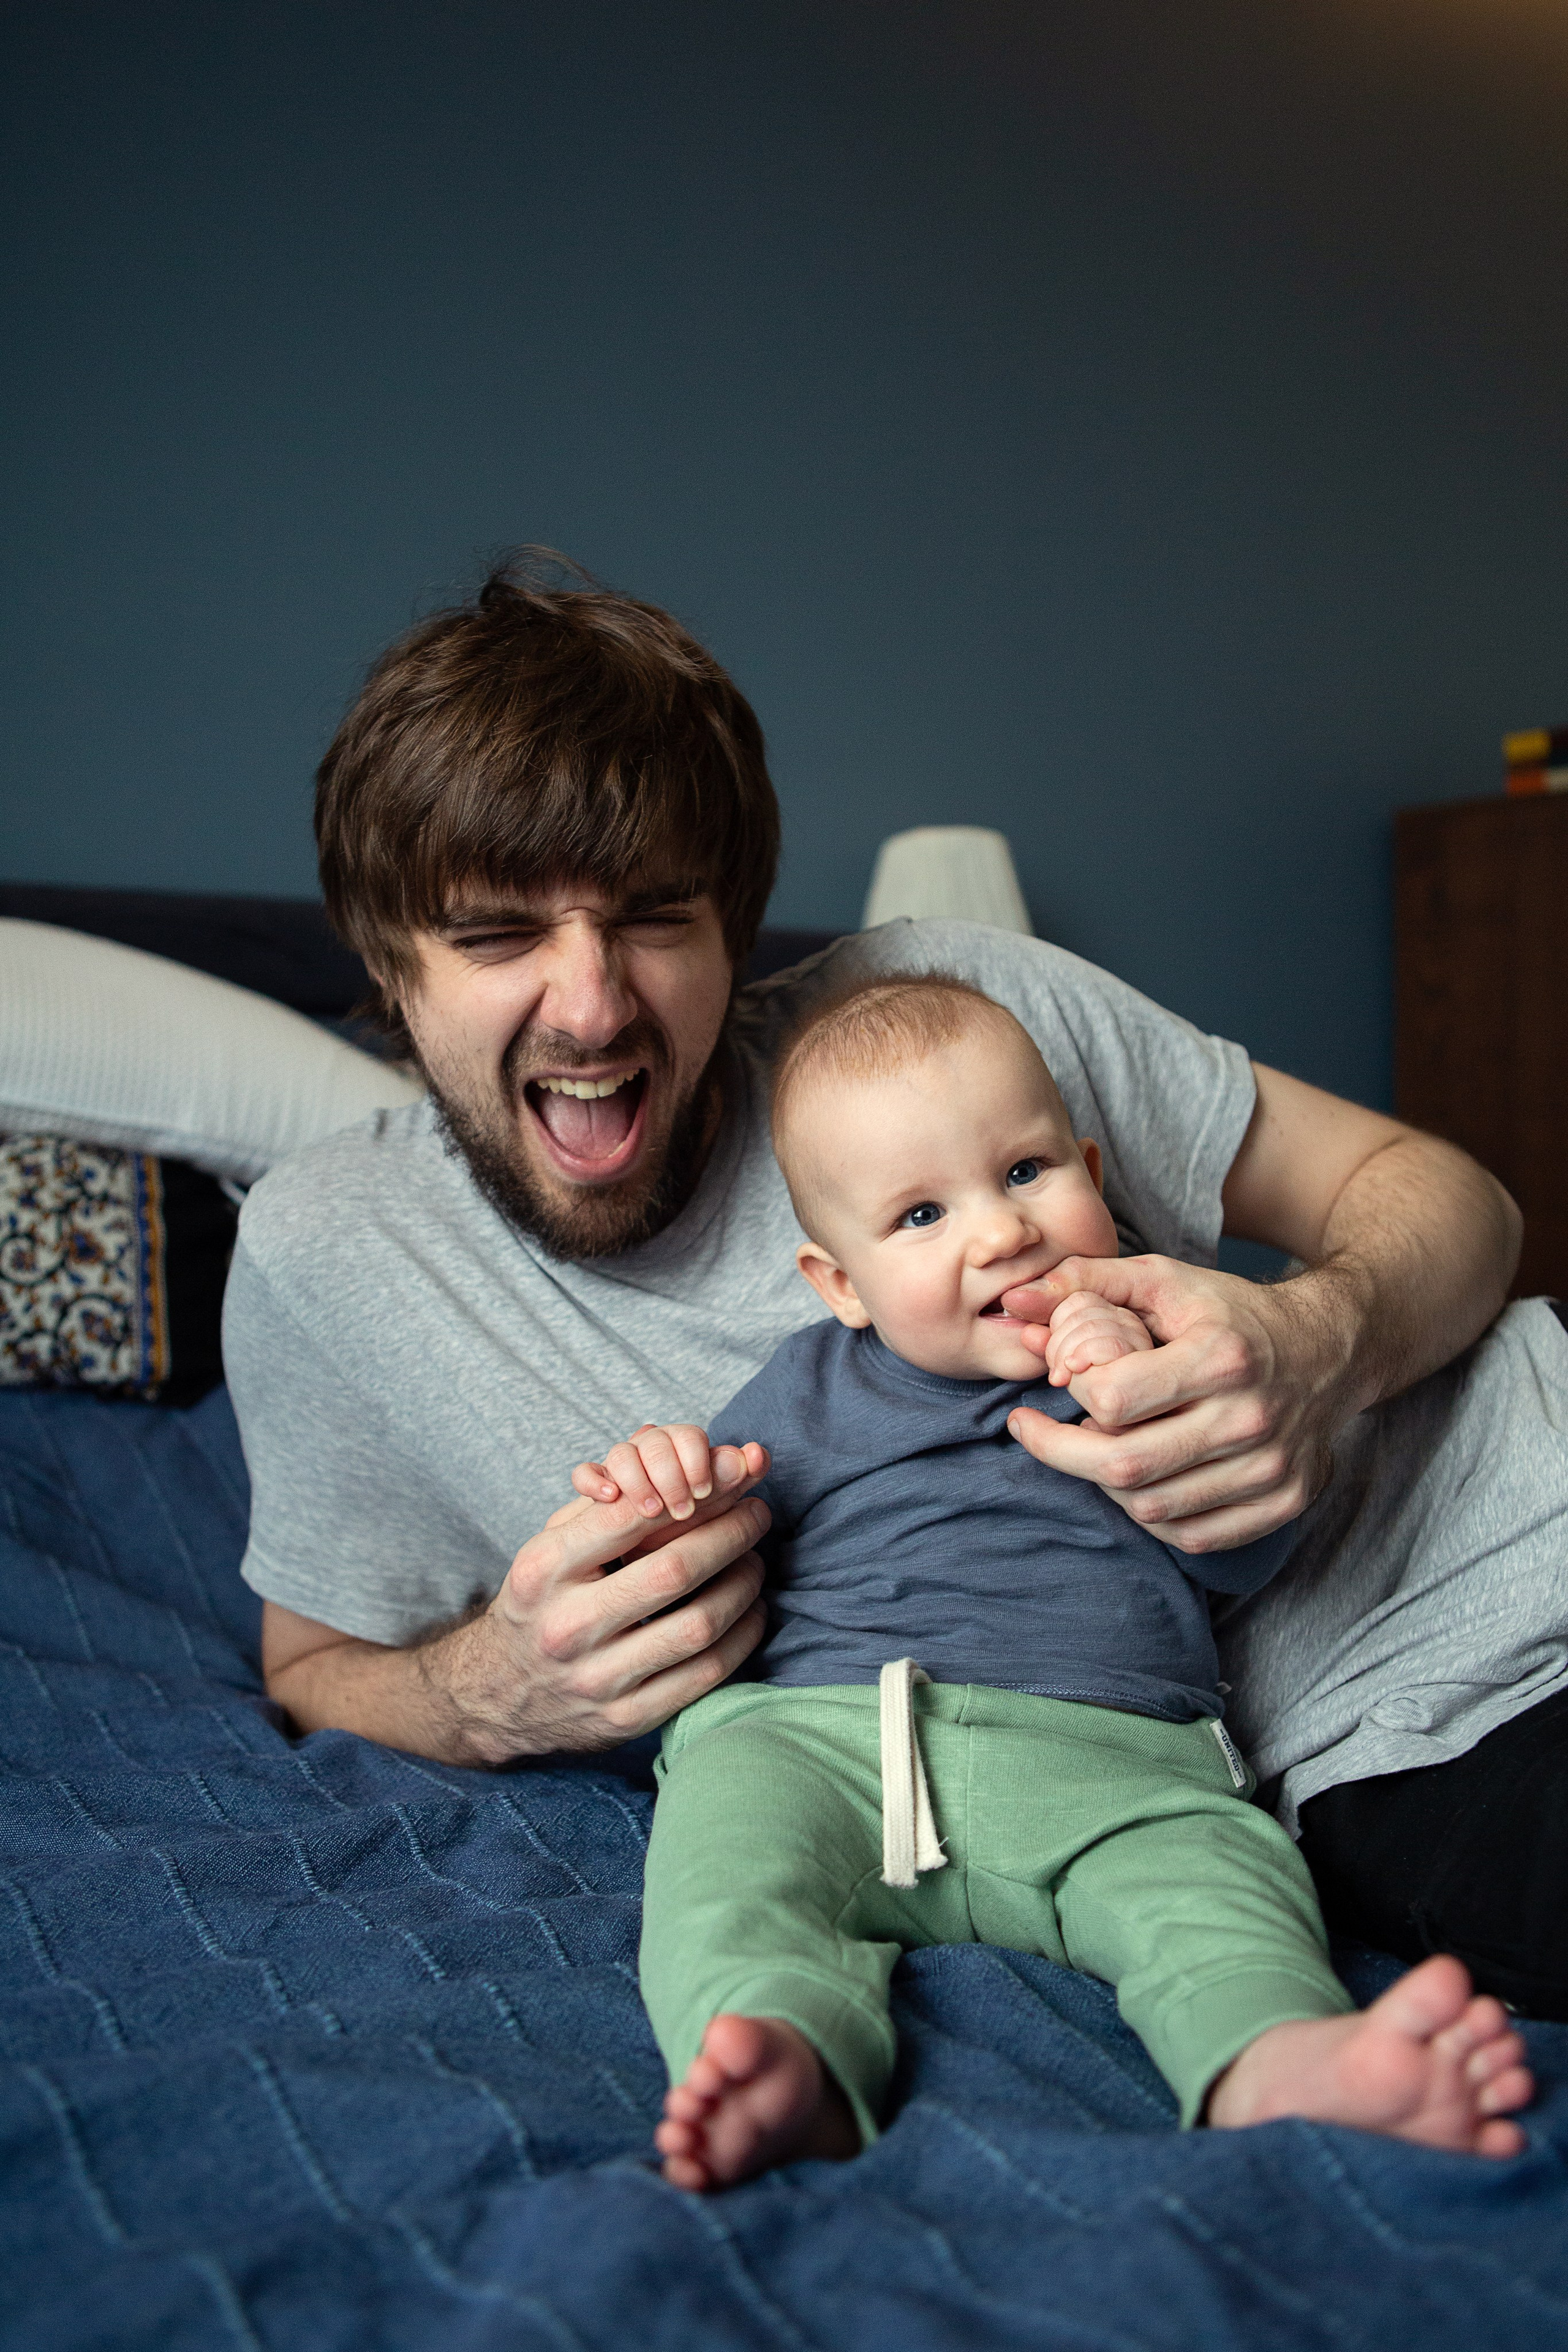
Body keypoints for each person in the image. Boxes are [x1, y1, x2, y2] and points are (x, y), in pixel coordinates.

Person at [226, 552, 1568, 2012]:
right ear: (387, 957)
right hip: (1414, 1711)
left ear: (732, 927)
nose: (594, 1002)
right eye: (495, 933)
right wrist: (484, 1693)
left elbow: (1451, 1200)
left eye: (654, 917)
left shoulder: (953, 1010)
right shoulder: (327, 1253)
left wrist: (1324, 1336)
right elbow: (309, 1667)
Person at [572, 973, 1531, 2188]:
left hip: (1111, 1758)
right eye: (919, 1215)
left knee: (1220, 1884)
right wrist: (667, 1487)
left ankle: (1275, 2056)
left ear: (1089, 1167)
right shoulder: (807, 1389)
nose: (1000, 1231)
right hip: (826, 1744)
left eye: (1025, 1172)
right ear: (839, 1285)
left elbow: (1239, 1552)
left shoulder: (1171, 1351)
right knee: (725, 1853)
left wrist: (1141, 1397)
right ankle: (777, 2044)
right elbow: (714, 1548)